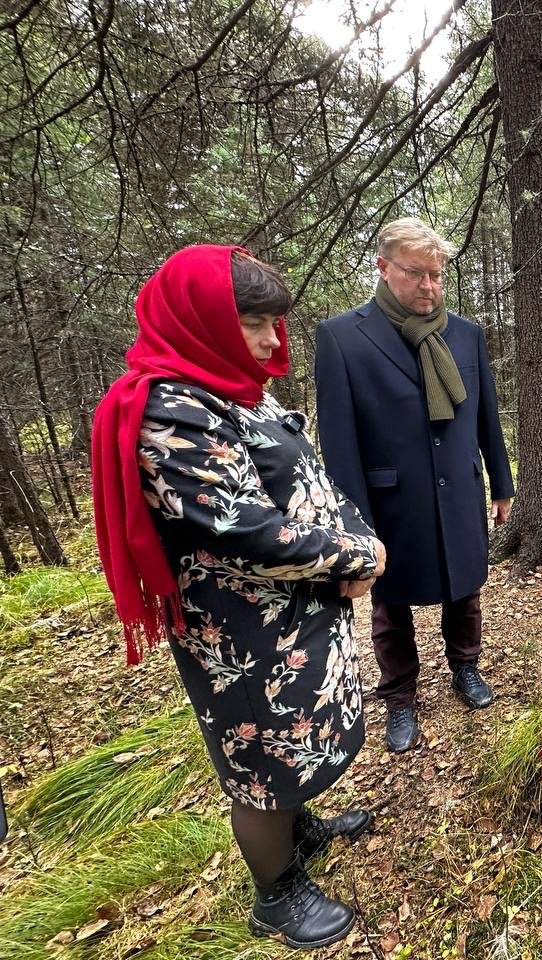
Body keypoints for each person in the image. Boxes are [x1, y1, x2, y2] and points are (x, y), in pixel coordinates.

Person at [91, 246, 386, 949]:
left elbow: (308, 476)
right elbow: (242, 531)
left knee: (296, 745)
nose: (270, 339)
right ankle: (275, 897)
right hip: (244, 637)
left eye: (273, 322)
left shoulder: (234, 388)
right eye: (254, 322)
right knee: (263, 764)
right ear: (201, 321)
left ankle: (297, 829)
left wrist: (357, 532)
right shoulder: (170, 410)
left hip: (297, 614)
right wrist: (357, 554)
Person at [315, 218, 515, 753]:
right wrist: (353, 523)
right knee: (390, 601)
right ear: (382, 267)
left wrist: (501, 481)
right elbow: (338, 441)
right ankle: (400, 696)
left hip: (459, 492)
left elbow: (485, 416)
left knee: (465, 586)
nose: (429, 286)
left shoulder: (466, 334)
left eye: (438, 275)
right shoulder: (342, 337)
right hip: (391, 502)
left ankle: (465, 667)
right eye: (416, 274)